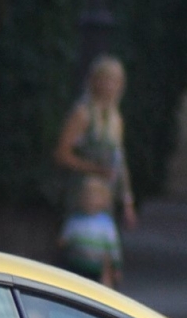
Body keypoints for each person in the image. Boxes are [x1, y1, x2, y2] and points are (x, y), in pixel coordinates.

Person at [53, 54, 138, 231]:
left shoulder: (116, 118)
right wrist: (94, 169)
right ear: (95, 81)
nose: (110, 86)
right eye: (106, 80)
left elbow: (120, 161)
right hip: (82, 195)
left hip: (106, 196)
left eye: (115, 81)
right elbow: (62, 155)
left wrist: (127, 201)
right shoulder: (83, 114)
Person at [57, 173, 122, 288]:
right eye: (87, 196)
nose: (90, 200)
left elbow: (113, 247)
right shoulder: (74, 220)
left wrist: (116, 267)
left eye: (95, 196)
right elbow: (64, 240)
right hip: (76, 265)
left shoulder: (106, 223)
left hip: (98, 268)